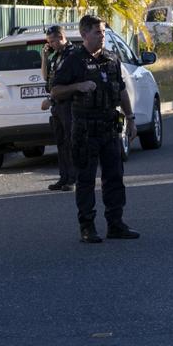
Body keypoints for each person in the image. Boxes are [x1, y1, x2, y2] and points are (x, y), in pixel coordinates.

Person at [50, 14, 139, 244]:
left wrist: (130, 118)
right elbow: (56, 90)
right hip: (85, 129)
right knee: (86, 179)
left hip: (110, 126)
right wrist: (78, 86)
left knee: (115, 177)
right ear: (84, 34)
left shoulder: (111, 59)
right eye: (97, 32)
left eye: (103, 32)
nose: (102, 36)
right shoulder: (74, 60)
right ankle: (87, 226)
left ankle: (116, 224)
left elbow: (120, 90)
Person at [41, 25, 76, 192]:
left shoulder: (72, 55)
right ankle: (63, 177)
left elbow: (66, 83)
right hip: (57, 106)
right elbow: (45, 77)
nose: (51, 44)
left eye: (53, 41)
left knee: (71, 142)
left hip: (69, 104)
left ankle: (73, 179)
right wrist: (45, 57)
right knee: (61, 143)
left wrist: (50, 98)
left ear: (62, 37)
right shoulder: (56, 56)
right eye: (49, 42)